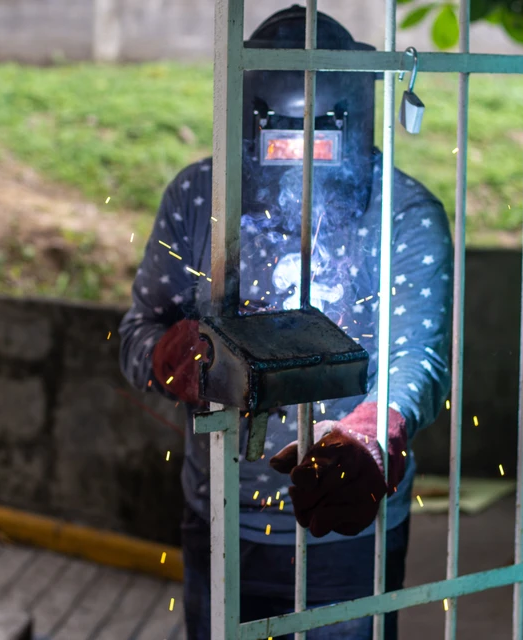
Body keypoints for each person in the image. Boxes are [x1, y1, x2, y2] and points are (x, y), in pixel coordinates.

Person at [118, 6, 453, 639]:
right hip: (218, 517)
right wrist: (168, 356)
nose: (300, 171)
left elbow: (419, 360)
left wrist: (371, 435)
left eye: (321, 145)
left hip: (349, 530)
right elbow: (137, 330)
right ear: (247, 125)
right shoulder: (198, 195)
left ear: (354, 123)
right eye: (280, 144)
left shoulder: (404, 212)